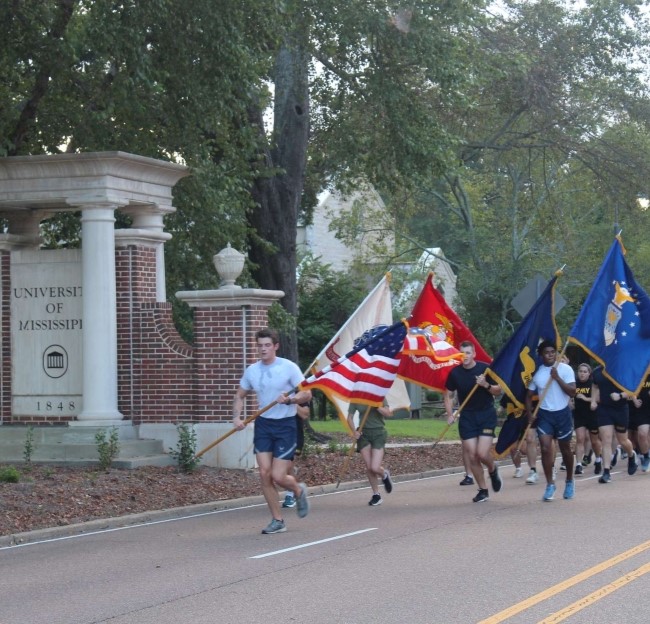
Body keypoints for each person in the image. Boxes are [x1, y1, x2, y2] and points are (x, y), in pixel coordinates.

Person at [232, 328, 312, 534]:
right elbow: (240, 395)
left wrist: (291, 399)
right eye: (260, 345)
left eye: (267, 345)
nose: (263, 349)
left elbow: (307, 394)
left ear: (275, 346)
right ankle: (278, 520)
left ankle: (297, 489)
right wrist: (237, 417)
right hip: (263, 425)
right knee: (264, 474)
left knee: (278, 475)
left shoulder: (288, 367)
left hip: (285, 426)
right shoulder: (252, 370)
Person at [444, 341, 502, 503]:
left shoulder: (485, 369)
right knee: (472, 456)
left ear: (474, 354)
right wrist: (450, 414)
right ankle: (483, 490)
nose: (465, 356)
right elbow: (447, 394)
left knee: (482, 453)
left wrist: (486, 385)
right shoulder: (455, 373)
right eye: (462, 353)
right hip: (467, 417)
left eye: (468, 353)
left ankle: (492, 469)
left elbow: (498, 391)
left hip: (486, 415)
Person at [525, 341, 576, 501]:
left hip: (562, 414)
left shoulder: (565, 369)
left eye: (553, 352)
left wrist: (557, 378)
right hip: (545, 415)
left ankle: (569, 480)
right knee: (546, 448)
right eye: (547, 352)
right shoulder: (538, 373)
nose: (550, 355)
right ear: (541, 355)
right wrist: (529, 413)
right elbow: (528, 395)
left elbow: (573, 392)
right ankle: (550, 484)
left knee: (565, 449)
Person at [591, 365, 638, 483]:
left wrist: (621, 395)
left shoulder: (622, 368)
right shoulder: (597, 371)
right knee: (606, 440)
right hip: (604, 409)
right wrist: (593, 401)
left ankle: (631, 455)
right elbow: (595, 386)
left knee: (622, 440)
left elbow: (633, 388)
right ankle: (606, 472)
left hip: (620, 409)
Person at [347, 401, 394, 506]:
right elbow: (349, 417)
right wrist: (354, 432)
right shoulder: (357, 397)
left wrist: (376, 406)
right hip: (364, 435)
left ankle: (384, 475)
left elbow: (388, 413)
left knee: (374, 467)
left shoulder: (379, 395)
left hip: (379, 433)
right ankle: (376, 495)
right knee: (369, 467)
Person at [571, 363, 603, 476]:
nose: (582, 374)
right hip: (579, 415)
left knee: (594, 441)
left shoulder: (592, 384)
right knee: (580, 439)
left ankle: (598, 459)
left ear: (589, 374)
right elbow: (569, 397)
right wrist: (571, 403)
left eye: (585, 372)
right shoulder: (574, 384)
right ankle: (579, 465)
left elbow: (598, 399)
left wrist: (585, 398)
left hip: (592, 415)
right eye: (580, 371)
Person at [281, 401, 311, 509]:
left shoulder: (299, 393)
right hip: (276, 432)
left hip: (293, 433)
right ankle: (293, 475)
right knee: (275, 470)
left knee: (287, 463)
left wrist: (291, 401)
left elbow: (304, 414)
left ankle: (290, 494)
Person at [628, 374, 650, 472]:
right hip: (642, 409)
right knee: (642, 434)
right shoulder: (638, 372)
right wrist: (634, 399)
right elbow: (630, 387)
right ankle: (646, 456)